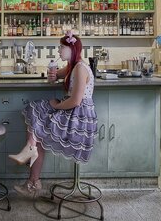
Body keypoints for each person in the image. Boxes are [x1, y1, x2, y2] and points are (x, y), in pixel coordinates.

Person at [8, 31, 97, 197]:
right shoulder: (72, 67)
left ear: (71, 49)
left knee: (38, 118)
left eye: (61, 47)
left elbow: (76, 101)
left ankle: (32, 174)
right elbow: (55, 75)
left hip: (78, 118)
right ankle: (33, 175)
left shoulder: (80, 68)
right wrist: (52, 75)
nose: (58, 51)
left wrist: (57, 106)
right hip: (72, 110)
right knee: (36, 113)